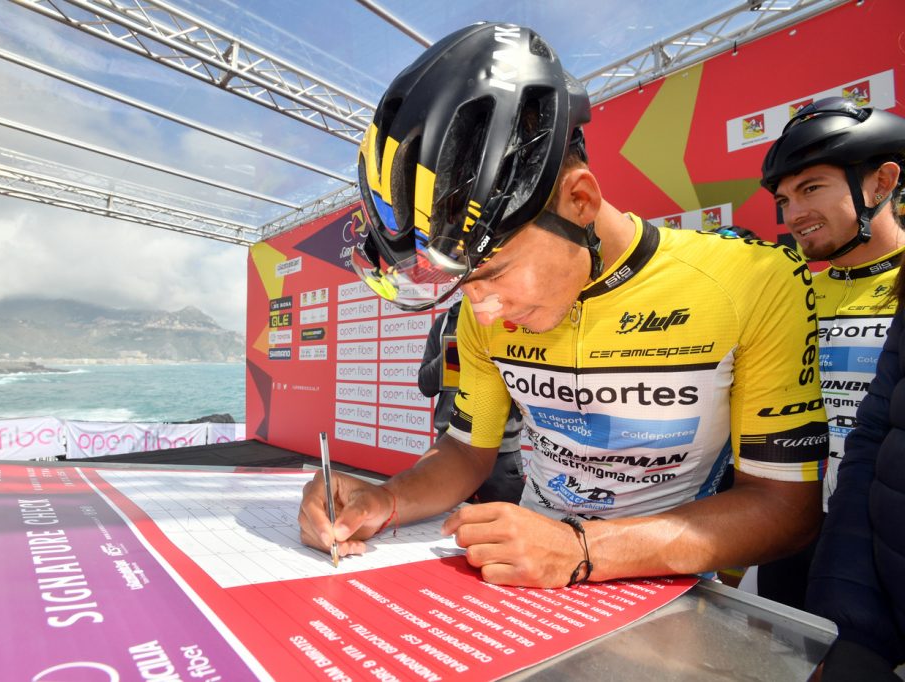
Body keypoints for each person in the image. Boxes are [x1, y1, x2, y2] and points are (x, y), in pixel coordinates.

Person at [299, 22, 827, 588]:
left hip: (661, 584)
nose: (482, 312)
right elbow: (467, 452)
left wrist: (581, 549)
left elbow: (786, 510)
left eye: (494, 273)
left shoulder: (753, 280)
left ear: (580, 200)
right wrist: (386, 499)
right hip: (530, 571)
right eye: (463, 284)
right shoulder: (481, 311)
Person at [756, 97, 905, 609]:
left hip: (885, 539)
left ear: (882, 183)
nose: (795, 214)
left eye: (811, 188)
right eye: (784, 200)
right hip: (793, 529)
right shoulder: (790, 291)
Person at [804, 256, 905, 680]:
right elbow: (874, 434)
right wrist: (852, 636)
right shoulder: (801, 286)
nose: (794, 222)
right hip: (821, 512)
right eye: (785, 218)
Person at [418, 299, 525, 504]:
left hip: (501, 452)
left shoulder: (511, 320)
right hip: (450, 449)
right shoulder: (445, 321)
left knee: (502, 521)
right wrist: (456, 347)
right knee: (444, 521)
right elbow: (426, 385)